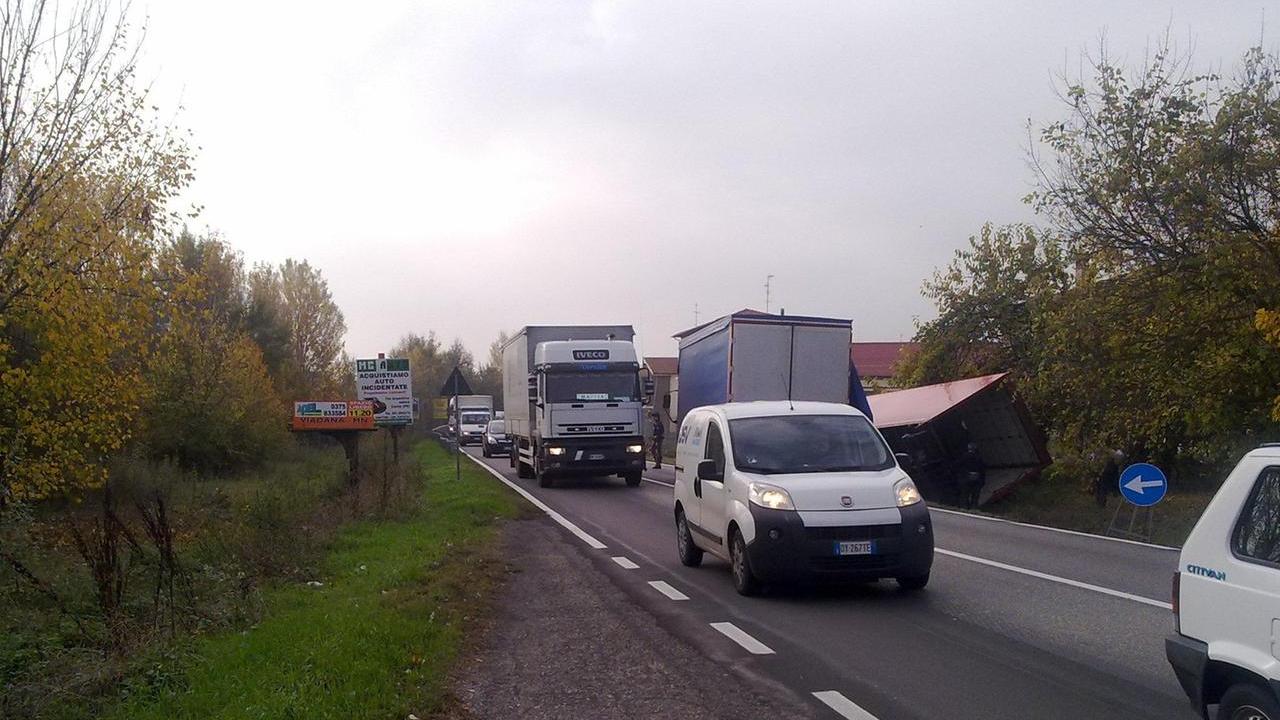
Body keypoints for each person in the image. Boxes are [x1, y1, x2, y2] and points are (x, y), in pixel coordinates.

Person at [953, 442, 986, 509]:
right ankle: (974, 508)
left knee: (965, 494)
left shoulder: (964, 456)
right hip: (977, 478)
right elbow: (982, 469)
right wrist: (982, 480)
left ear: (968, 448)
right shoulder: (979, 458)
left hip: (965, 478)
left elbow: (957, 465)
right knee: (975, 496)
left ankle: (965, 507)